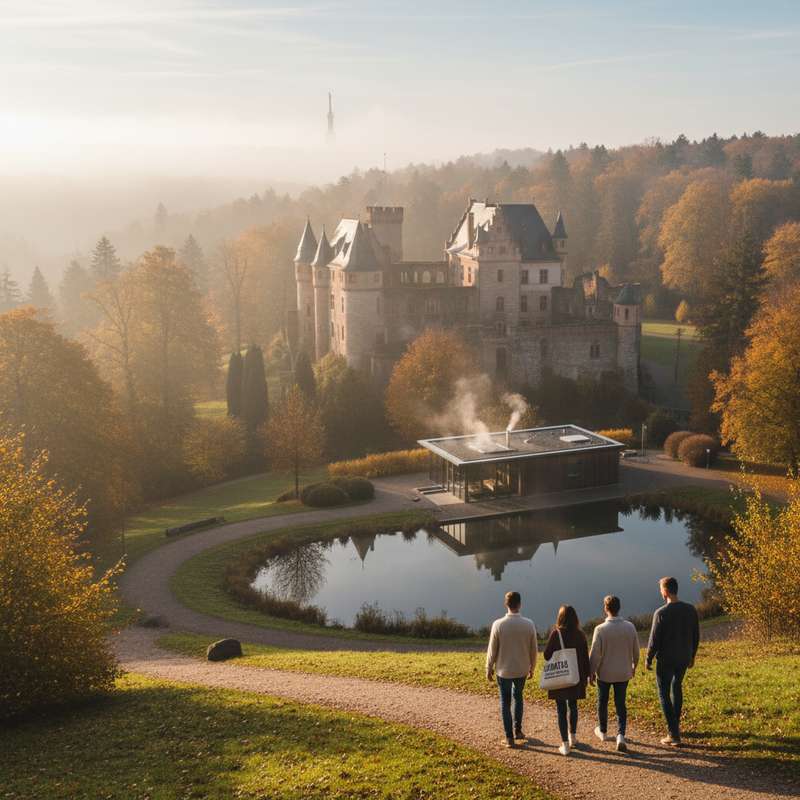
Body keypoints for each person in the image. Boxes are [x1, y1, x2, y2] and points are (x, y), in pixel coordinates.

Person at [646, 576, 700, 746]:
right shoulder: (690, 609)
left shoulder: (661, 613)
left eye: (661, 589)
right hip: (684, 656)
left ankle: (673, 734)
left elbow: (654, 640)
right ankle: (675, 726)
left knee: (663, 693)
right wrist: (692, 656)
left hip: (667, 659)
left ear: (666, 591)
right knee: (677, 687)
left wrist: (648, 659)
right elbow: (695, 635)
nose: (660, 592)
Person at [486, 591, 538, 748]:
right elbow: (533, 649)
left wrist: (488, 667)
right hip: (521, 669)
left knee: (505, 701)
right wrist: (532, 667)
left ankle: (509, 738)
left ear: (506, 604)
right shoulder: (529, 624)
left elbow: (492, 650)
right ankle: (518, 731)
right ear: (520, 604)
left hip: (503, 670)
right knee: (519, 697)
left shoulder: (498, 624)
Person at [589, 595, 639, 752]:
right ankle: (620, 735)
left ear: (605, 608)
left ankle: (603, 731)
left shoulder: (600, 629)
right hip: (623, 672)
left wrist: (591, 673)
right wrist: (634, 666)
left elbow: (595, 654)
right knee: (620, 704)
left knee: (602, 701)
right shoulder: (630, 627)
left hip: (604, 673)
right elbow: (636, 651)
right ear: (619, 608)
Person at [543, 604, 591, 756]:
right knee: (573, 706)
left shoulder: (555, 634)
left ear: (560, 617)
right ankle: (573, 737)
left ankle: (565, 745)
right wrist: (588, 675)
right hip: (576, 676)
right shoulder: (580, 634)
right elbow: (585, 657)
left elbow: (546, 655)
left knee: (561, 710)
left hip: (560, 676)